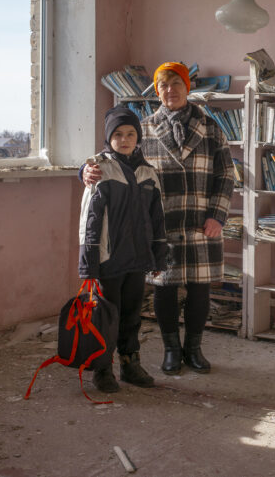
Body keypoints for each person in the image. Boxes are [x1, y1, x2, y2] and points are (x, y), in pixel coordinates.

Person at [83, 62, 234, 375]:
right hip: (158, 224)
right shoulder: (144, 128)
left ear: (186, 88)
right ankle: (171, 350)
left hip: (200, 222)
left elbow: (226, 175)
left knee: (199, 288)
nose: (170, 91)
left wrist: (217, 215)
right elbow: (113, 159)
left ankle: (194, 349)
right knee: (164, 288)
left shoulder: (211, 126)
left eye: (176, 84)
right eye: (163, 86)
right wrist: (83, 171)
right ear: (158, 92)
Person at [79, 104, 168, 393]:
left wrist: (157, 255)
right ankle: (102, 369)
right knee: (106, 316)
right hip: (109, 260)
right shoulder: (99, 171)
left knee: (131, 315)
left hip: (138, 259)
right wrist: (88, 264)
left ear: (138, 137)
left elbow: (157, 219)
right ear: (108, 138)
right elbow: (89, 222)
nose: (125, 139)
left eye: (131, 134)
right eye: (118, 134)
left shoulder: (148, 173)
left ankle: (130, 364)